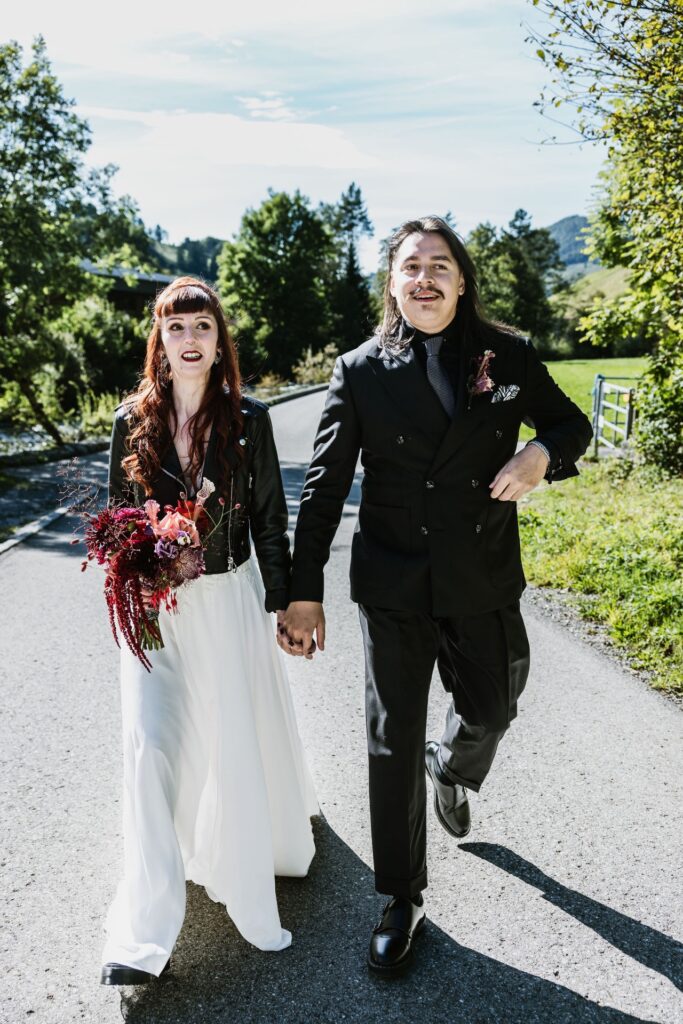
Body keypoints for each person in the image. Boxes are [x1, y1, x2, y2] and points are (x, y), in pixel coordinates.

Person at [282, 217, 592, 977]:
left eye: (440, 265)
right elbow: (322, 486)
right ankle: (399, 898)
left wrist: (538, 454)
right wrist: (302, 593)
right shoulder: (358, 370)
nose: (424, 278)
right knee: (389, 739)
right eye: (409, 266)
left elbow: (568, 421)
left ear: (461, 280)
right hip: (391, 580)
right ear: (390, 282)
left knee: (492, 708)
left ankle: (451, 767)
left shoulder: (506, 355)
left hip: (481, 571)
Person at [100, 277, 317, 986]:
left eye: (202, 328)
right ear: (158, 342)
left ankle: (238, 853)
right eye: (176, 329)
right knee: (151, 746)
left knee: (228, 739)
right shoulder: (130, 420)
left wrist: (287, 604)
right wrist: (147, 558)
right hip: (157, 614)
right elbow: (113, 526)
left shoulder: (248, 420)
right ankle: (143, 935)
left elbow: (269, 523)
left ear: (219, 340)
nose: (189, 341)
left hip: (226, 602)